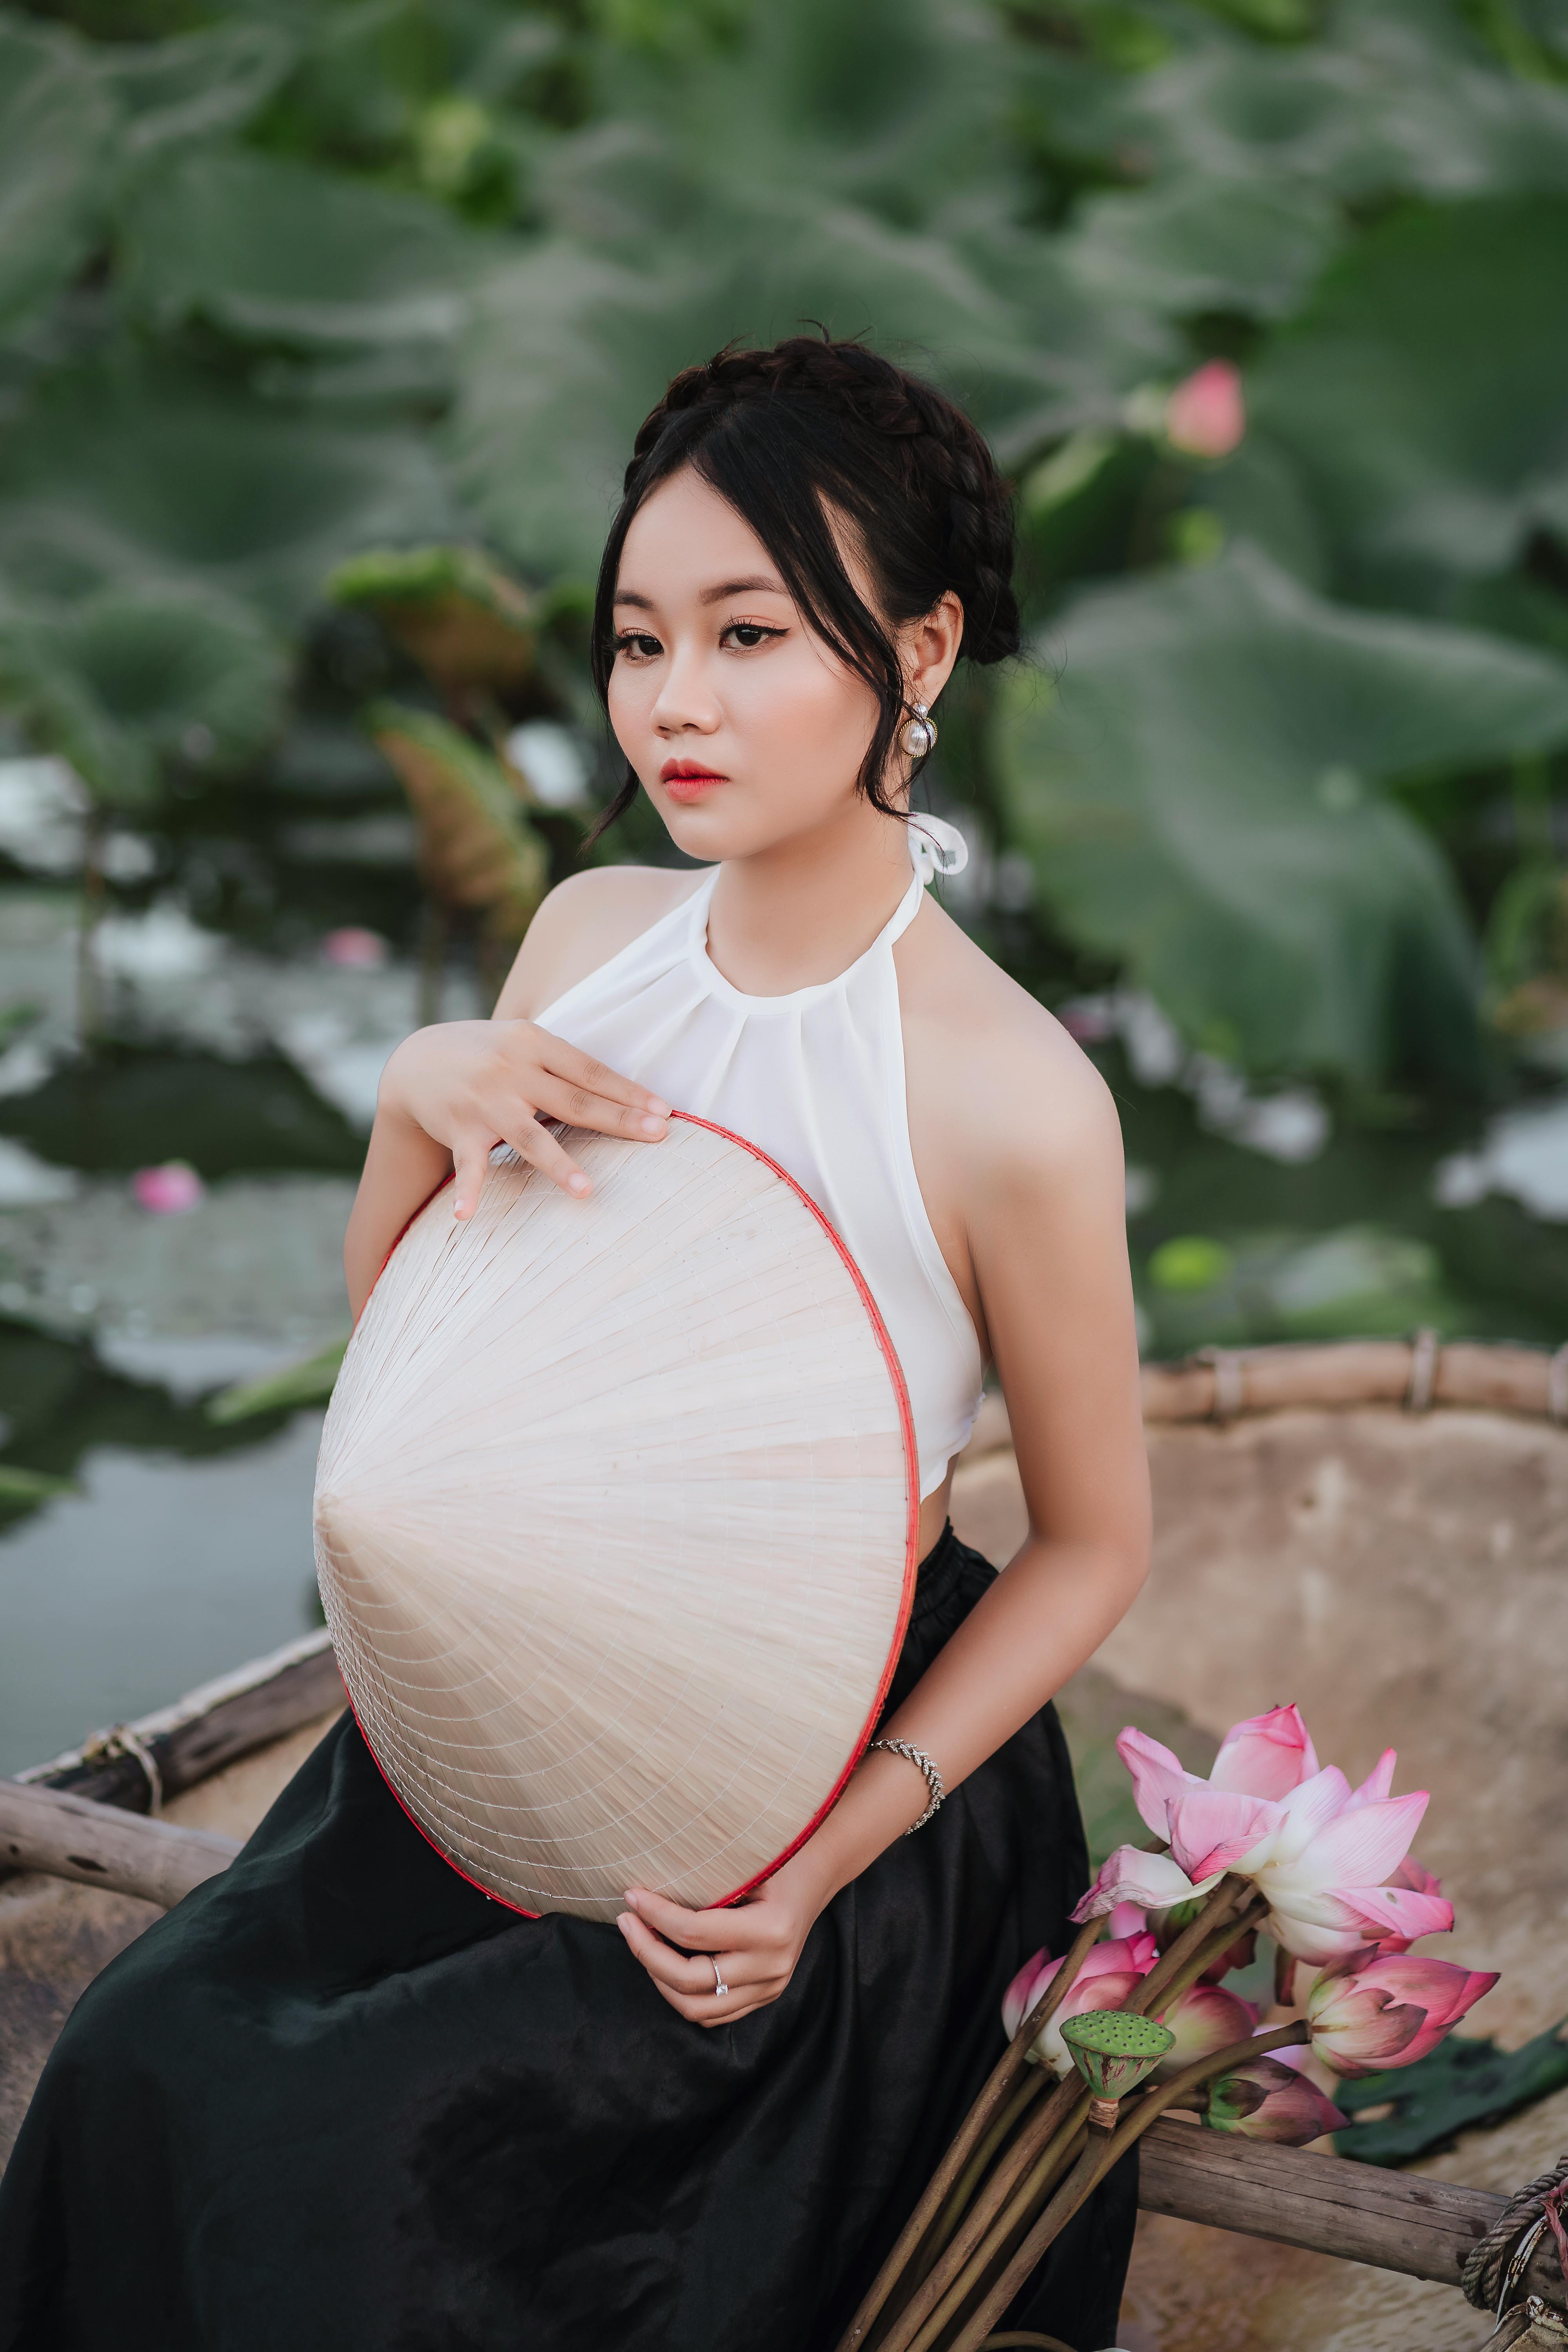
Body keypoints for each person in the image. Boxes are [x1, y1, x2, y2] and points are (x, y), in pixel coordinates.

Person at [0, 337, 1151, 2352]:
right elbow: (435, 1369)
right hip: (511, 1695)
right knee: (137, 2061)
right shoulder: (585, 944)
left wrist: (826, 1859)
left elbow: (1089, 1547)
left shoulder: (1007, 1096)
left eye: (748, 634)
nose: (674, 704)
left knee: (337, 2163)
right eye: (636, 641)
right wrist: (406, 1102)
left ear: (924, 650)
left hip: (809, 1784)